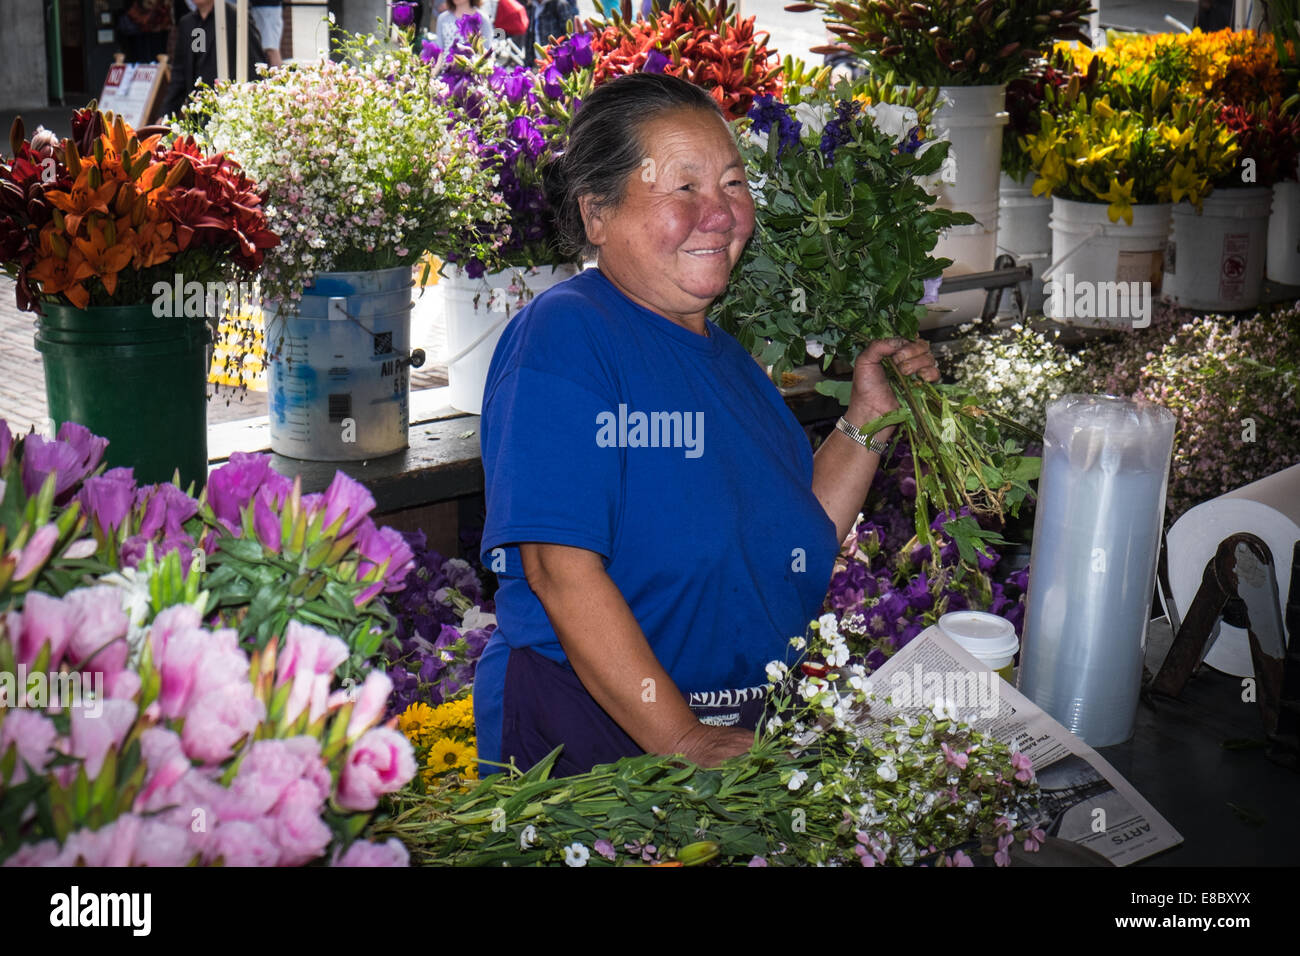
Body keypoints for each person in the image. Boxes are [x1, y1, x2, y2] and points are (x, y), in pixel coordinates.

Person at [474, 73, 940, 777]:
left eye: (730, 184)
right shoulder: (569, 334)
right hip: (598, 740)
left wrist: (867, 420)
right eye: (682, 187)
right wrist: (682, 736)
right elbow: (558, 568)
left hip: (730, 737)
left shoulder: (729, 363)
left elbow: (795, 539)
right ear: (597, 213)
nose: (719, 213)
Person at [159, 0, 266, 118]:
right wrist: (165, 115)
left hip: (230, 113)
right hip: (199, 115)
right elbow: (180, 77)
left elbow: (255, 67)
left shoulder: (236, 17)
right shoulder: (189, 23)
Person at [248, 1, 284, 68]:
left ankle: (277, 76)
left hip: (266, 9)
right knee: (267, 50)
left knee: (270, 50)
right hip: (261, 8)